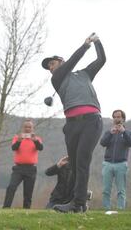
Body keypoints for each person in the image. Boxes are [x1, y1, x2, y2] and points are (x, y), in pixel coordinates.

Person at [42, 32, 106, 213]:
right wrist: (85, 45)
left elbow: (101, 60)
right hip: (71, 125)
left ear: (60, 62)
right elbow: (71, 62)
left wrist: (97, 42)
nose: (51, 68)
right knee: (75, 164)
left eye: (52, 64)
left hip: (91, 121)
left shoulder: (85, 74)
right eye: (49, 67)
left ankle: (78, 203)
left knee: (82, 161)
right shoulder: (57, 78)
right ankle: (77, 202)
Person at [3, 119, 43, 209]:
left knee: (28, 192)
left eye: (29, 127)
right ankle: (6, 207)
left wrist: (35, 140)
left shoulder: (37, 139)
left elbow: (40, 148)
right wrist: (19, 141)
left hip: (31, 169)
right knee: (11, 187)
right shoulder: (17, 138)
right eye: (26, 127)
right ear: (22, 128)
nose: (27, 129)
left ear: (32, 128)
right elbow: (14, 148)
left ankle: (26, 210)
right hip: (18, 169)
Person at [100, 110, 131, 210]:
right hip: (108, 164)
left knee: (121, 190)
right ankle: (106, 209)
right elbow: (102, 143)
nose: (116, 119)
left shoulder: (128, 133)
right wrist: (111, 133)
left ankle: (120, 209)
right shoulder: (109, 132)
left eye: (118, 117)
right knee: (106, 189)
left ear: (123, 119)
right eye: (114, 117)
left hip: (121, 164)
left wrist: (124, 132)